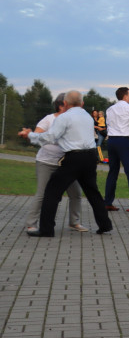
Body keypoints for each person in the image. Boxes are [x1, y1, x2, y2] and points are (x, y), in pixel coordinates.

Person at [19, 90, 114, 237]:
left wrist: (30, 135)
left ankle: (46, 229)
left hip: (74, 157)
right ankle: (105, 225)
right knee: (93, 192)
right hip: (90, 157)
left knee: (52, 192)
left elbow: (50, 137)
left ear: (65, 103)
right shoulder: (88, 117)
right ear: (82, 103)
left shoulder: (64, 117)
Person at [26, 93, 88, 233]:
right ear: (62, 105)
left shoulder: (72, 120)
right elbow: (37, 135)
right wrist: (31, 135)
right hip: (46, 162)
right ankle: (31, 223)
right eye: (70, 104)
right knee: (42, 193)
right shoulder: (49, 119)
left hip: (66, 163)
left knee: (76, 193)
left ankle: (74, 222)